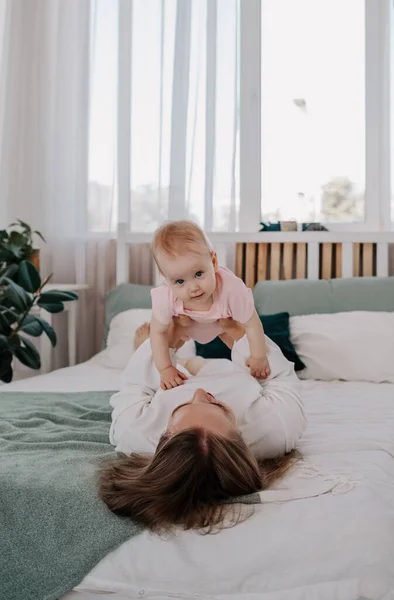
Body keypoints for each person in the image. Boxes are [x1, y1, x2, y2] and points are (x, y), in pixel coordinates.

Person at [99, 318, 306, 533]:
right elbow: (281, 379)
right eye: (217, 406)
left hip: (171, 383)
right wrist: (234, 333)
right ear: (240, 434)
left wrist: (167, 342)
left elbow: (135, 384)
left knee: (152, 362)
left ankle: (160, 357)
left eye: (184, 406)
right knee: (213, 365)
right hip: (234, 378)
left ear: (164, 435)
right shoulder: (274, 430)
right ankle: (189, 366)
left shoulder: (136, 432)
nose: (198, 393)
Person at [149, 220, 270, 390]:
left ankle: (257, 376)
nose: (193, 288)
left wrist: (258, 357)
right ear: (166, 278)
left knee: (247, 349)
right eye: (180, 281)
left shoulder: (232, 289)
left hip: (223, 323)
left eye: (199, 274)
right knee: (157, 352)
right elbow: (158, 331)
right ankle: (159, 364)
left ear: (213, 263)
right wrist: (166, 369)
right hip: (184, 325)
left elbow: (252, 324)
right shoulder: (166, 296)